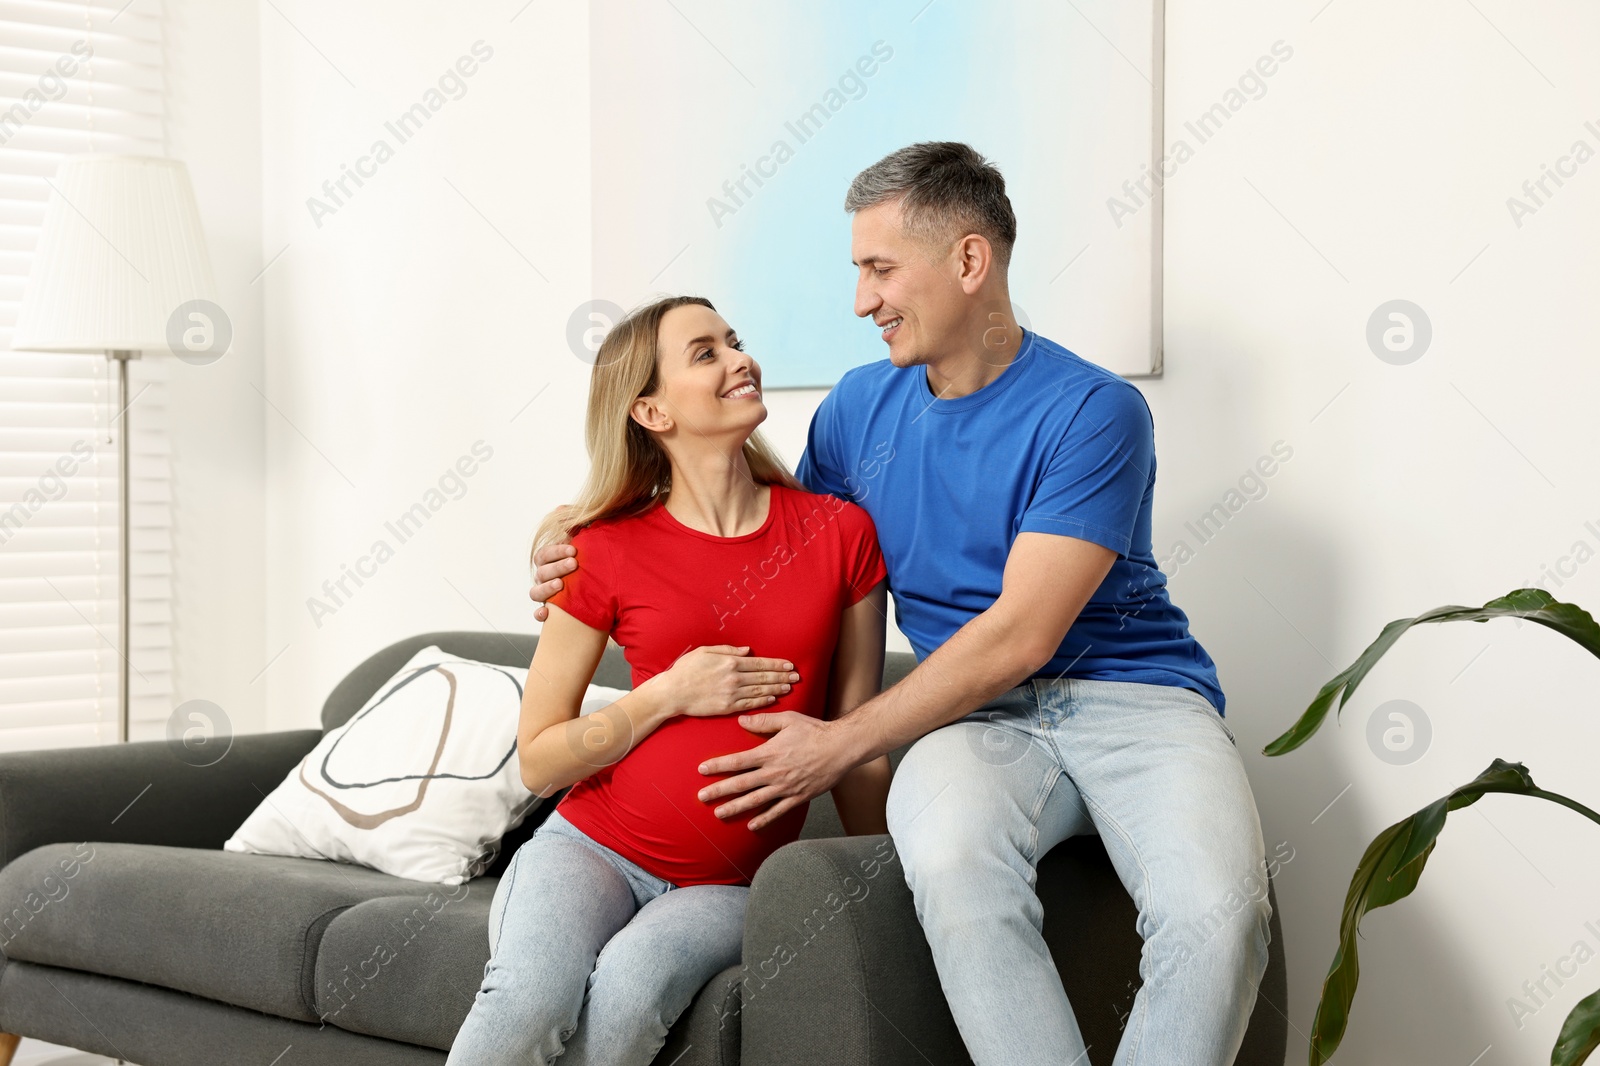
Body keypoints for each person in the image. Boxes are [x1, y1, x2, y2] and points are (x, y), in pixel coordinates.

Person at [530, 144, 1271, 1065]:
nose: (861, 301)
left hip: (1138, 703)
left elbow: (1022, 634)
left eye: (880, 270)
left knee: (1220, 916)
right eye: (858, 272)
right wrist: (585, 523)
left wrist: (843, 741)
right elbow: (771, 548)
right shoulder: (856, 412)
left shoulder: (1094, 410)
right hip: (972, 722)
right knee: (957, 873)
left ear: (968, 263)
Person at [448, 295, 891, 1065]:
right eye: (705, 353)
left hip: (726, 884)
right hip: (589, 847)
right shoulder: (600, 549)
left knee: (628, 995)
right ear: (650, 410)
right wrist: (666, 696)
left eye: (735, 342)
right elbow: (541, 758)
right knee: (529, 1000)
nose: (738, 360)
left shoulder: (838, 535)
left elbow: (857, 737)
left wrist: (888, 879)